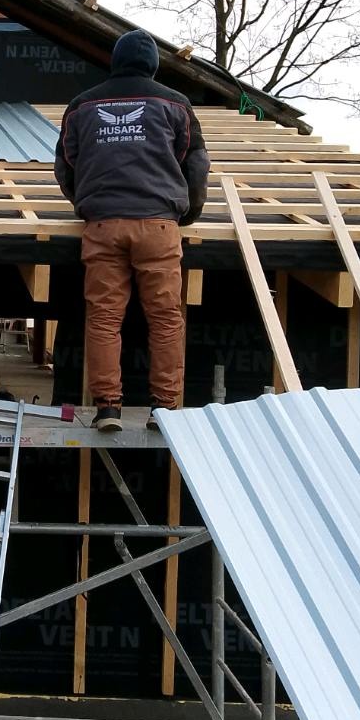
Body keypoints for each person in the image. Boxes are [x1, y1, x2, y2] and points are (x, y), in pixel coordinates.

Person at [54, 29, 209, 433]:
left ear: (115, 61)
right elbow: (195, 162)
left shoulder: (82, 105)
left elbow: (66, 163)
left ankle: (107, 408)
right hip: (159, 224)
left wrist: (84, 204)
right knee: (165, 319)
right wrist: (187, 213)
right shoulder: (175, 104)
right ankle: (165, 409)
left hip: (103, 224)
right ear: (154, 65)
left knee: (105, 318)